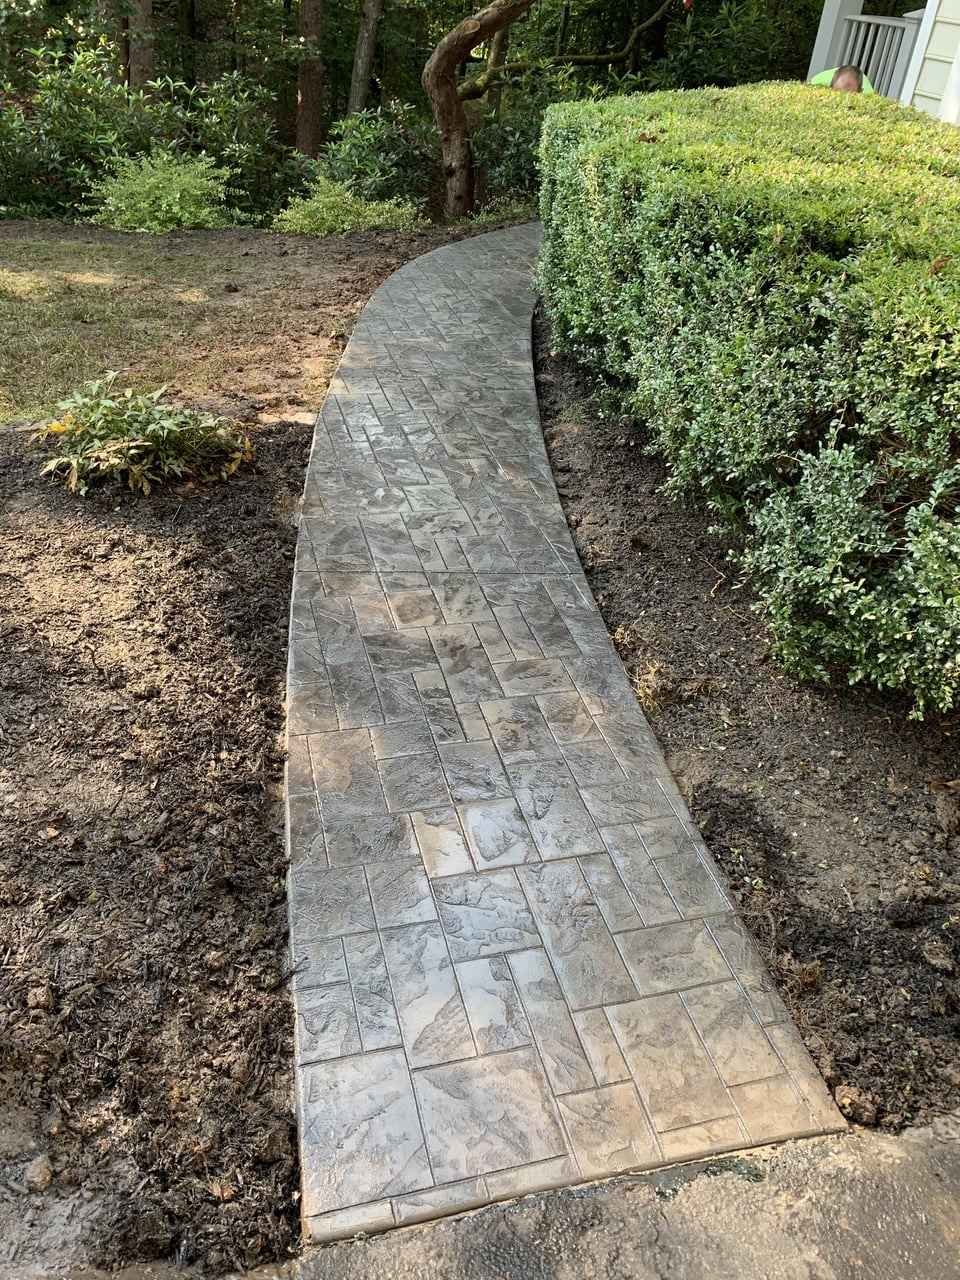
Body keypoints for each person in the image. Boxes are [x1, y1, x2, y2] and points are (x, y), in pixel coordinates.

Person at [810, 64, 876, 94]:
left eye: (849, 96)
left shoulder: (868, 94)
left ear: (860, 92)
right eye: (837, 93)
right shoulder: (817, 82)